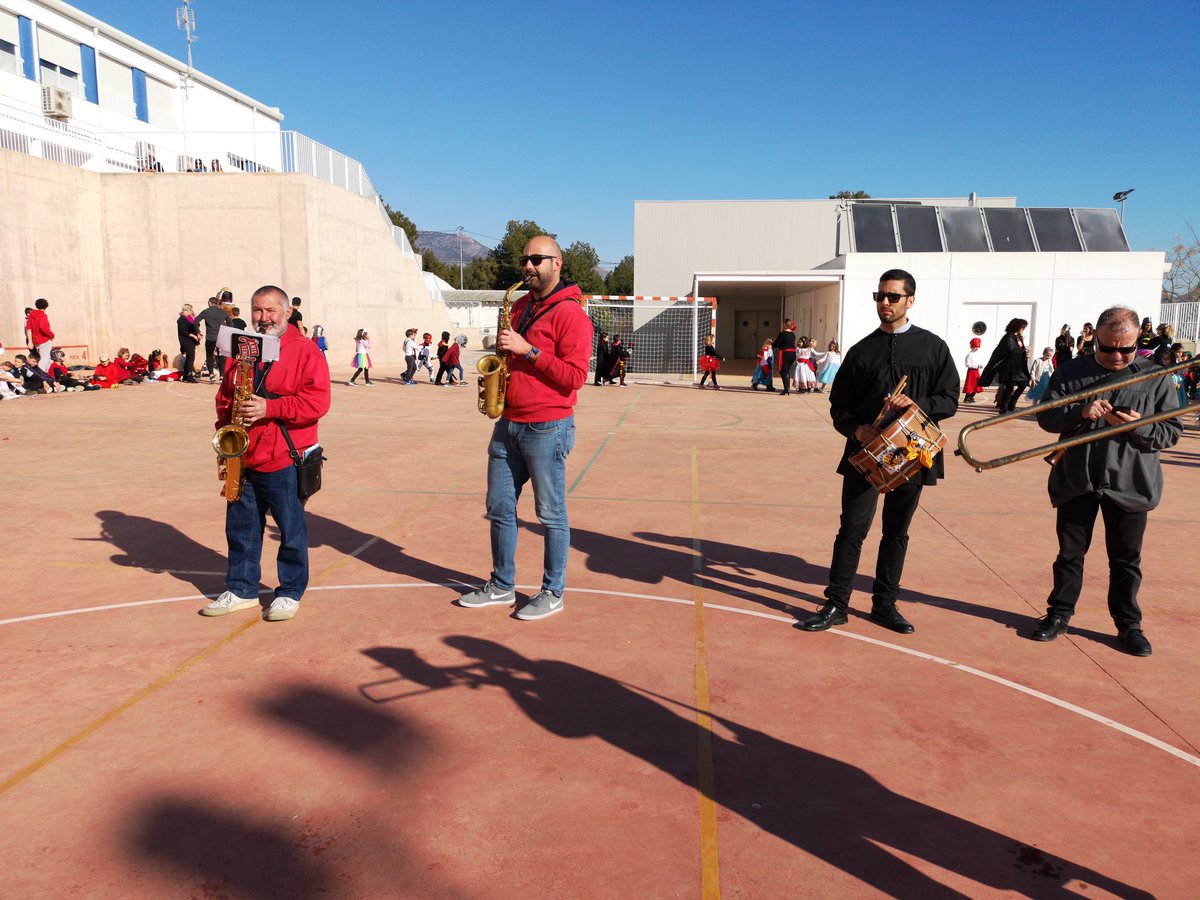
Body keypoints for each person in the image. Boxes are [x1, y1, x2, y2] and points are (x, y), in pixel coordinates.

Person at [799, 268, 959, 635]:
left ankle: (885, 604)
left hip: (912, 453)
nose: (884, 303)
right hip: (866, 454)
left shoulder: (933, 347)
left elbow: (949, 399)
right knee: (851, 530)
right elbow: (838, 406)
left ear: (910, 300)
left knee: (896, 532)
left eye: (893, 297)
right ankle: (837, 604)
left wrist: (915, 403)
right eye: (880, 296)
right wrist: (855, 427)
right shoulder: (861, 351)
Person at [1027, 306, 1181, 657]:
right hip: (1076, 478)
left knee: (1126, 560)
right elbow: (1046, 418)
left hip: (1131, 482)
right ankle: (1059, 614)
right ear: (1094, 338)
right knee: (1069, 554)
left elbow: (1171, 433)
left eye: (1125, 349)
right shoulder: (1070, 371)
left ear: (1136, 342)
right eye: (1107, 348)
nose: (1116, 356)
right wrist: (1078, 411)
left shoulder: (1155, 376)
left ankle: (1129, 626)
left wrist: (1137, 426)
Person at [457, 236, 593, 621]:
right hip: (509, 422)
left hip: (548, 426)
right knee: (498, 508)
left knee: (551, 514)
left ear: (557, 264)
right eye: (525, 260)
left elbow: (576, 376)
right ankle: (501, 585)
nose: (529, 266)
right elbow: (511, 353)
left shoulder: (572, 315)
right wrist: (502, 357)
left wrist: (527, 350)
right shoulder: (518, 307)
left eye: (538, 259)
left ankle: (553, 591)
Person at [200, 285, 332, 622]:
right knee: (241, 527)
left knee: (290, 528)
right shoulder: (242, 347)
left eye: (271, 310)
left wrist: (269, 407)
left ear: (287, 312)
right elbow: (225, 394)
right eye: (258, 310)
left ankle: (289, 591)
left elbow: (317, 403)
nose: (263, 318)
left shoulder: (306, 351)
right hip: (242, 453)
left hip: (285, 455)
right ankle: (241, 588)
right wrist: (224, 428)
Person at [979, 318, 1031, 412]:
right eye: (1022, 327)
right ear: (1016, 327)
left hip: (1019, 367)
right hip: (1009, 368)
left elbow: (1019, 351)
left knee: (1023, 385)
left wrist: (1025, 353)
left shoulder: (1019, 337)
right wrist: (1024, 349)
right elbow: (1012, 351)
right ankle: (1004, 408)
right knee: (1009, 388)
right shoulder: (1008, 337)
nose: (1023, 329)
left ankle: (1012, 404)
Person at [196, 296, 232, 382]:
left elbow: (196, 321)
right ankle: (221, 376)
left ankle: (211, 375)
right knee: (221, 357)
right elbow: (231, 324)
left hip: (210, 337)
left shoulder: (206, 311)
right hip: (221, 337)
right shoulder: (223, 312)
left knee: (209, 356)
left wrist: (198, 331)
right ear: (217, 303)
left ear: (209, 303)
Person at [26, 298, 55, 371]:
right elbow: (44, 328)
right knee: (44, 360)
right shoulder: (42, 315)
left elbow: (28, 328)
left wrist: (30, 341)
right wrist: (52, 335)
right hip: (44, 340)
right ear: (46, 306)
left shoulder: (31, 314)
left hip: (35, 341)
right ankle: (40, 378)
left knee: (48, 360)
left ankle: (48, 377)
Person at [177, 303, 201, 383]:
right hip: (186, 340)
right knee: (191, 358)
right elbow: (183, 331)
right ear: (187, 310)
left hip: (191, 341)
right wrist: (193, 336)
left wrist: (195, 317)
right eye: (190, 309)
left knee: (189, 358)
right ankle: (189, 376)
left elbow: (196, 325)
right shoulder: (181, 319)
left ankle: (186, 376)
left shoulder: (190, 318)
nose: (192, 311)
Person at [774, 320, 798, 396]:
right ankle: (787, 388)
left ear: (784, 325)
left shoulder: (782, 334)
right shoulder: (793, 334)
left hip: (785, 354)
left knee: (783, 371)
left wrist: (771, 343)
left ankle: (786, 389)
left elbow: (777, 344)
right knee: (786, 370)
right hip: (793, 354)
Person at [962, 337, 984, 403]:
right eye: (975, 346)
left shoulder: (977, 354)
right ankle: (967, 398)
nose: (976, 348)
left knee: (977, 385)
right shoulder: (970, 355)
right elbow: (967, 364)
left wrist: (980, 365)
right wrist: (976, 366)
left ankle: (971, 397)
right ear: (972, 346)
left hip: (976, 371)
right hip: (971, 371)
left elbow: (978, 361)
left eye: (977, 347)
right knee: (970, 385)